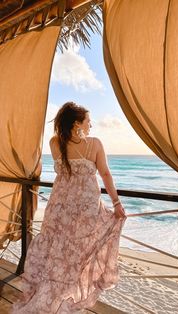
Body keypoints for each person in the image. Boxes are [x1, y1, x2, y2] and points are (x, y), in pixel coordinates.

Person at [11, 102, 126, 314]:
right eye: (88, 122)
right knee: (79, 252)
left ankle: (54, 293)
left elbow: (65, 174)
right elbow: (106, 175)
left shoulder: (55, 143)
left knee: (56, 251)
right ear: (77, 124)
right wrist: (116, 203)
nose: (91, 126)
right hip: (85, 208)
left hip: (60, 206)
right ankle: (65, 296)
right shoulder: (95, 144)